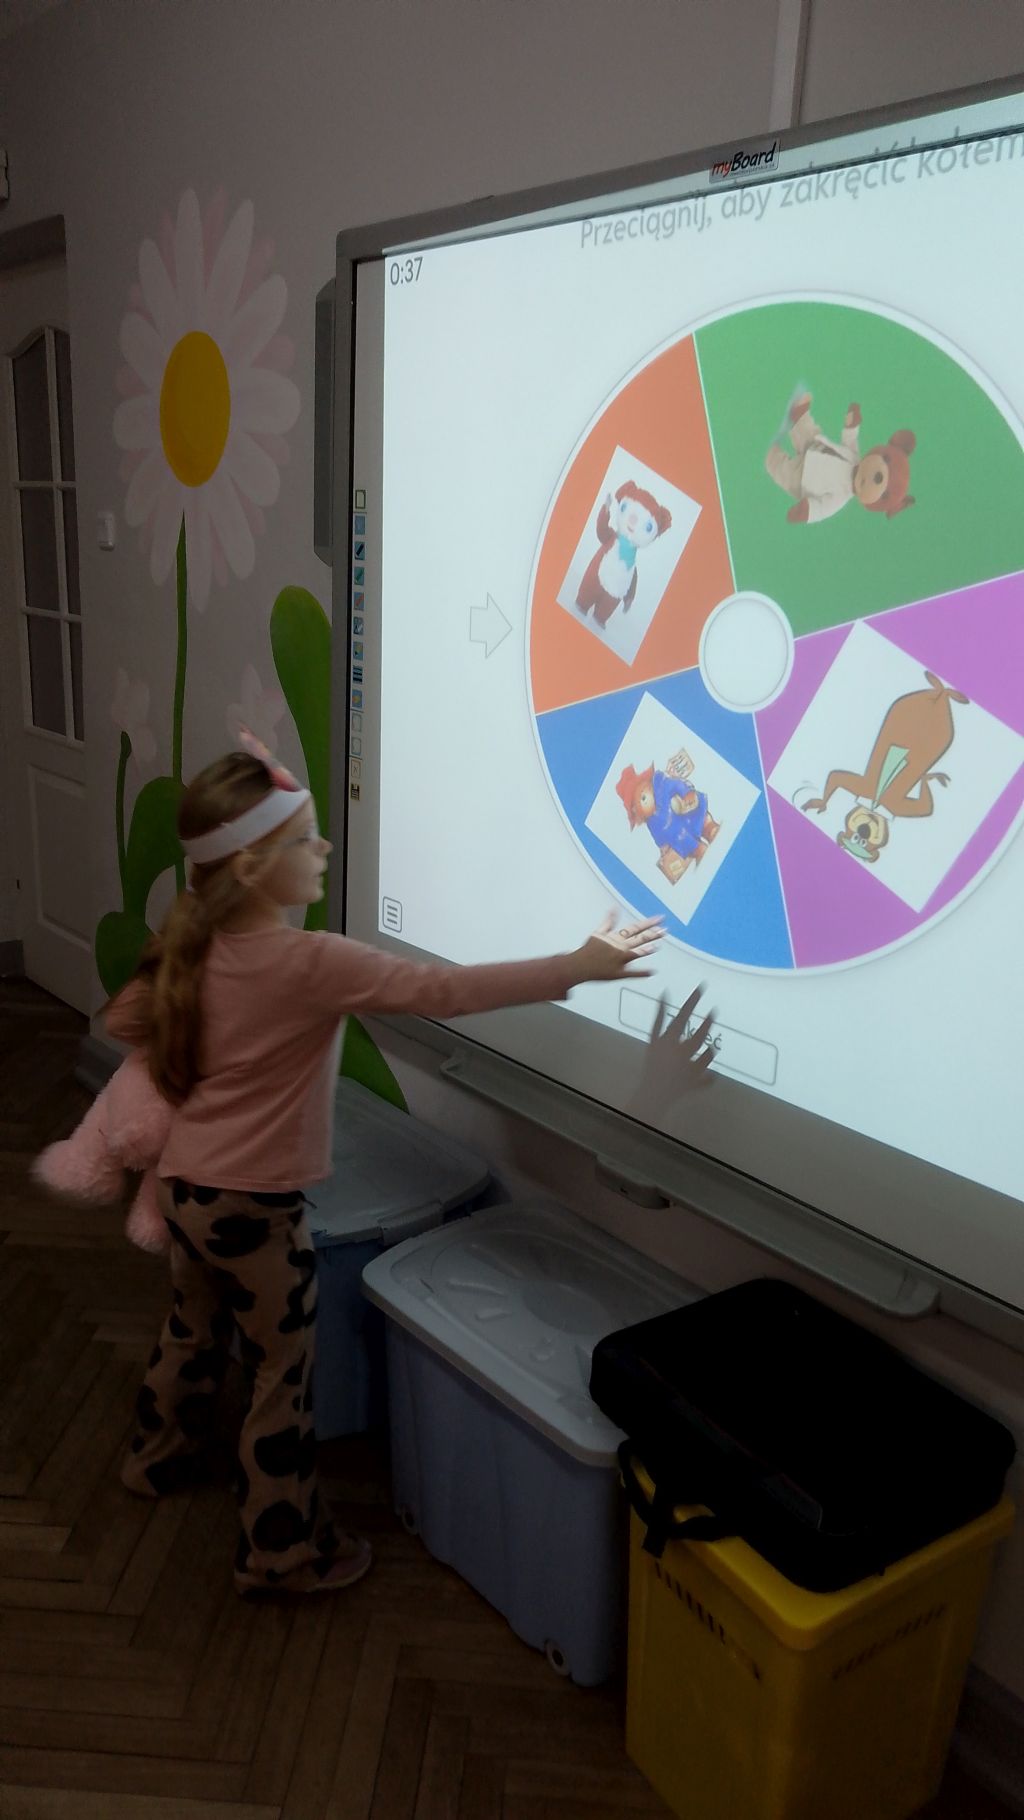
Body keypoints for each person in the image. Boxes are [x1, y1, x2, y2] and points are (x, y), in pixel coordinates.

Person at [106, 742, 673, 1598]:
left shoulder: (189, 942)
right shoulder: (311, 962)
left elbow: (127, 1023)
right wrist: (576, 966)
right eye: (305, 839)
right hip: (256, 1215)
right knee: (280, 1379)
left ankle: (154, 1458)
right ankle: (280, 1553)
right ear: (253, 868)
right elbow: (442, 992)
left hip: (186, 1191)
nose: (325, 848)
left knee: (191, 1329)